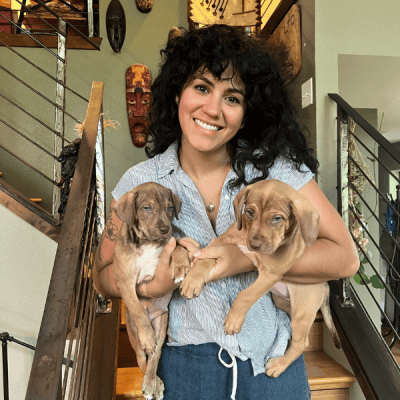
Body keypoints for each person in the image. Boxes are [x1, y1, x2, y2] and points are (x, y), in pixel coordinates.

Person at [94, 24, 359, 400]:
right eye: (202, 87)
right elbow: (100, 274)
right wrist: (152, 286)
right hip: (185, 372)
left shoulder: (277, 172)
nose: (213, 109)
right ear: (177, 93)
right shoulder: (141, 182)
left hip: (273, 365)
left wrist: (247, 257)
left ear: (247, 111)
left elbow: (345, 258)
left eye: (232, 98)